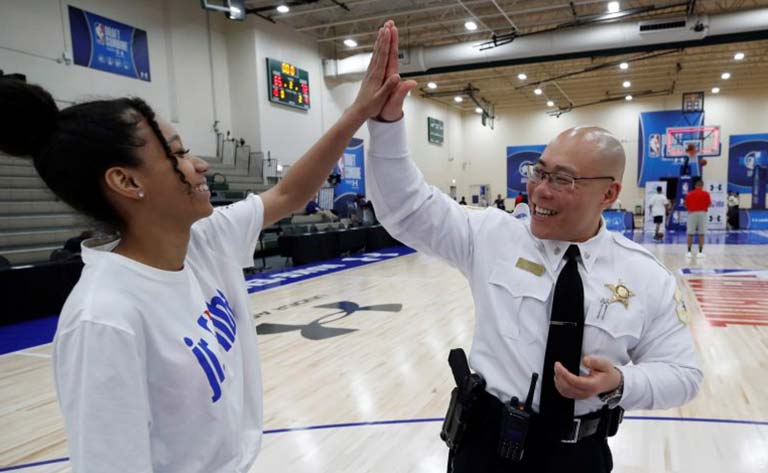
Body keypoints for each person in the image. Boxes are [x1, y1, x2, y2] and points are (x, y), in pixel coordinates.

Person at [0, 23, 403, 473]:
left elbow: (289, 194)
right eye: (179, 154)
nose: (200, 164)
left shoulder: (204, 240)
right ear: (127, 181)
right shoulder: (105, 319)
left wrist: (357, 113)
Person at [364, 22, 701, 473]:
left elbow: (684, 375)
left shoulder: (645, 276)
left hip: (578, 456)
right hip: (484, 447)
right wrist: (385, 125)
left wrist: (621, 382)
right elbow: (403, 209)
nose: (540, 191)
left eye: (563, 180)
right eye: (538, 172)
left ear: (609, 194)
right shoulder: (490, 235)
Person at [684, 179, 712, 258]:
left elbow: (685, 205)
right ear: (702, 186)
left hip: (692, 213)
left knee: (690, 234)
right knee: (701, 234)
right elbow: (709, 204)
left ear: (695, 186)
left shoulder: (689, 194)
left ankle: (689, 252)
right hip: (702, 214)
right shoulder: (706, 194)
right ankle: (700, 252)